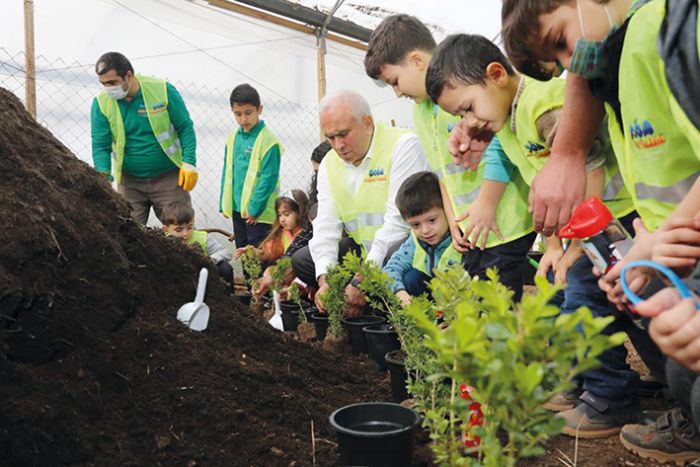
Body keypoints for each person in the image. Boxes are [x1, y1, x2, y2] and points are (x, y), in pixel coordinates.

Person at [426, 33, 652, 438]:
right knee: (594, 300)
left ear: (496, 74)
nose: (470, 123)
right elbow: (541, 186)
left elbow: (589, 169)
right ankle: (588, 385)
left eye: (467, 108)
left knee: (587, 305)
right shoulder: (508, 118)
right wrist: (553, 246)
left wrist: (579, 246)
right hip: (592, 224)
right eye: (460, 117)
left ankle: (609, 398)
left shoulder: (540, 104)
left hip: (612, 219)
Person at [364, 14, 535, 303]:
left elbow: (500, 144)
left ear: (418, 61)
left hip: (504, 223)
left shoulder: (464, 91)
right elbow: (441, 170)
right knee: (472, 304)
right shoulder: (420, 113)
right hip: (471, 229)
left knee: (497, 307)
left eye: (395, 81)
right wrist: (453, 219)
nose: (396, 92)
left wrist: (486, 204)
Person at [291, 90, 428, 317]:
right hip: (365, 252)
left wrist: (363, 279)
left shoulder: (403, 146)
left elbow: (398, 225)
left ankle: (382, 310)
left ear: (367, 123)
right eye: (330, 137)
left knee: (407, 278)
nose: (338, 145)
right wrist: (325, 281)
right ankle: (354, 307)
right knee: (305, 261)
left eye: (343, 134)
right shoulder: (329, 164)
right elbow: (325, 226)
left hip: (404, 252)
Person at [91, 52, 198, 225]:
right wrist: (104, 178)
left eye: (112, 83)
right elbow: (100, 146)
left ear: (128, 75)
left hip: (169, 178)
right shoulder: (101, 103)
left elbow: (185, 127)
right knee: (128, 235)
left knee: (180, 232)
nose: (108, 89)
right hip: (129, 182)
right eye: (103, 84)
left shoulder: (162, 90)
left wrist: (189, 162)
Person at [382, 172, 461, 306]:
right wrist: (402, 296)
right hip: (428, 307)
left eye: (431, 220)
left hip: (458, 307)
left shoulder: (462, 240)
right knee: (412, 278)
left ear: (448, 210)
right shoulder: (414, 242)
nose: (425, 231)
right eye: (416, 225)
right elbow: (390, 270)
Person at [219, 83, 282, 250]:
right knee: (243, 253)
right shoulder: (233, 136)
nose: (243, 119)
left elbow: (268, 179)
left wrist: (255, 209)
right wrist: (224, 202)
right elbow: (227, 171)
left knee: (259, 257)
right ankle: (248, 278)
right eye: (237, 114)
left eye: (248, 113)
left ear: (259, 109)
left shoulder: (269, 141)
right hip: (238, 210)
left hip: (259, 215)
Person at [242, 190, 307, 298]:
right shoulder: (282, 234)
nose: (282, 219)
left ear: (300, 212)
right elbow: (268, 251)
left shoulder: (306, 235)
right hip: (285, 273)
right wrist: (253, 252)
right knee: (269, 270)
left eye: (287, 214)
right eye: (279, 215)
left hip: (300, 276)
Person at [161, 201, 233, 283]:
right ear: (165, 229)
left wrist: (211, 259)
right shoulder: (161, 241)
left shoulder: (202, 237)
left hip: (202, 275)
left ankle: (228, 293)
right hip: (177, 278)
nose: (185, 234)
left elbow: (227, 253)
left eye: (189, 227)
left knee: (225, 268)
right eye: (179, 230)